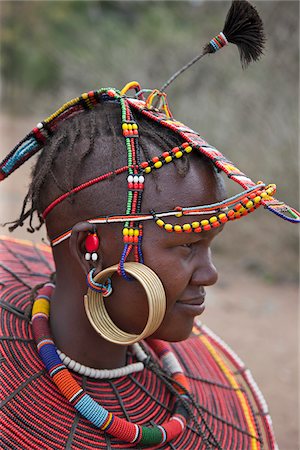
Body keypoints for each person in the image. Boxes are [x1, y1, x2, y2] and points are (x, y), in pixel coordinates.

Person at [1, 2, 299, 449]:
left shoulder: (196, 403)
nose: (211, 274)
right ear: (91, 248)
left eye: (209, 245)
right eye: (186, 247)